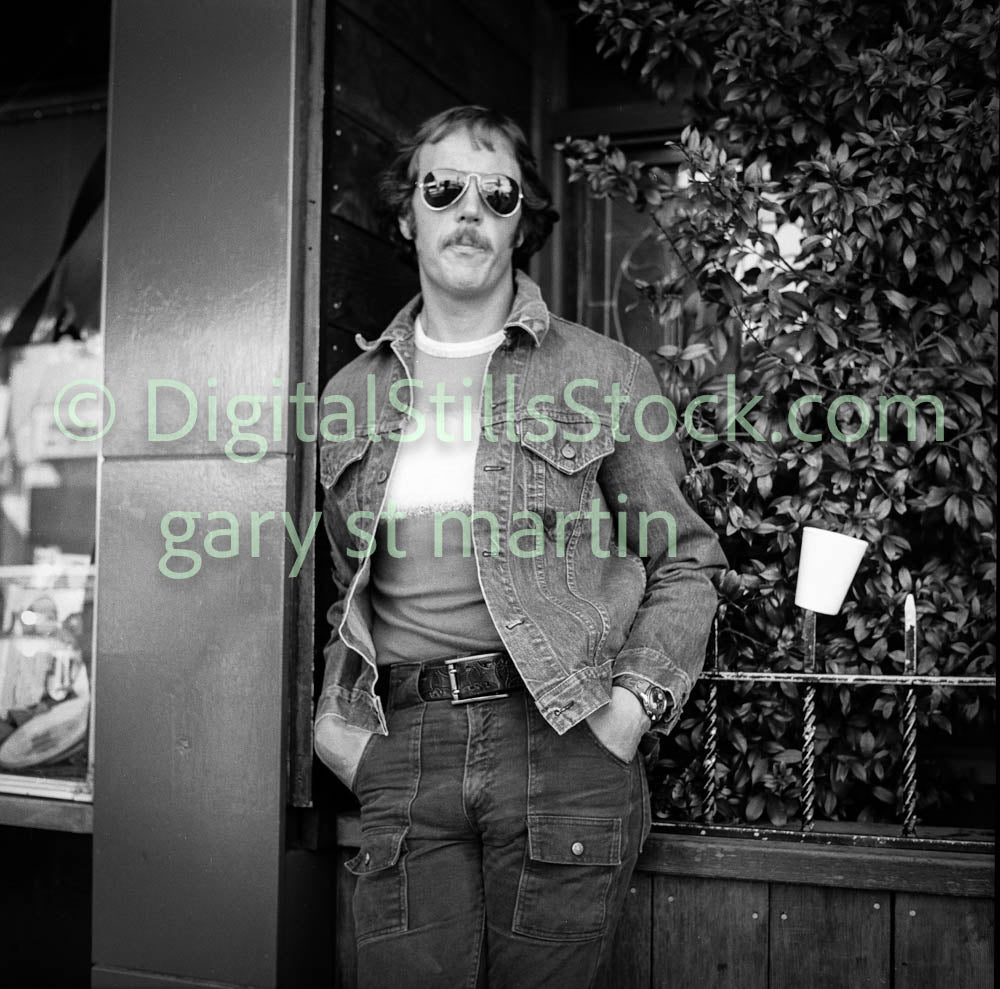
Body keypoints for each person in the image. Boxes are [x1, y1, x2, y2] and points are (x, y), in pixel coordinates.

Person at [314, 105, 725, 989]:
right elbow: (347, 583)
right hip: (405, 745)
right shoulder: (349, 394)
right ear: (406, 214)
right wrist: (337, 727)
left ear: (521, 223)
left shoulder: (605, 373)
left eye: (497, 194)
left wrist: (629, 710)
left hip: (564, 738)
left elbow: (685, 561)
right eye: (442, 188)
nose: (470, 209)